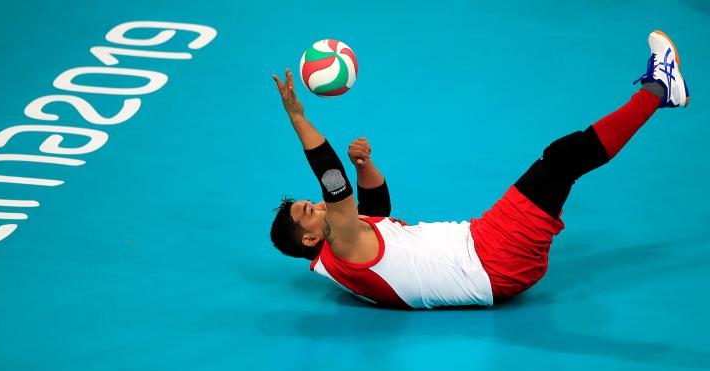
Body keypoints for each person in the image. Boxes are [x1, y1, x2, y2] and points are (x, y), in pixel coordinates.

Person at [269, 30, 689, 310]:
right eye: (311, 211)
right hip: (492, 257)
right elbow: (335, 186)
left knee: (561, 161)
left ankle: (660, 92)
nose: (319, 206)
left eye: (311, 204)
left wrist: (365, 165)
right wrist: (298, 119)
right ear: (310, 238)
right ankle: (659, 88)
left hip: (485, 247)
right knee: (563, 160)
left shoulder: (348, 248)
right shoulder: (340, 248)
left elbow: (375, 207)